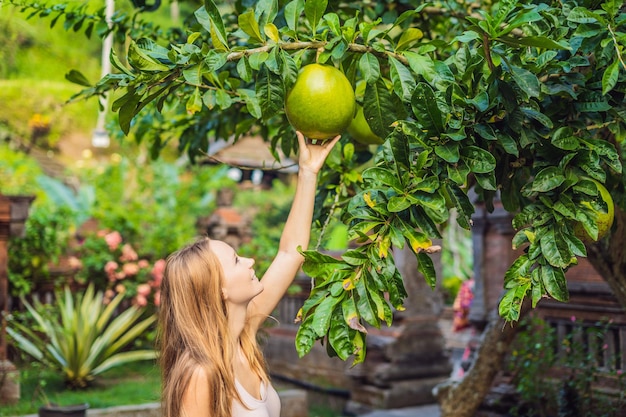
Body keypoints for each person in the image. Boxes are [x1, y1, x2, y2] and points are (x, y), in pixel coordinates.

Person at [156, 131, 341, 417]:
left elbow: (290, 252)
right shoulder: (200, 375)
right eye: (235, 260)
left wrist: (308, 171)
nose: (251, 260)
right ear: (219, 289)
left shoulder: (243, 336)